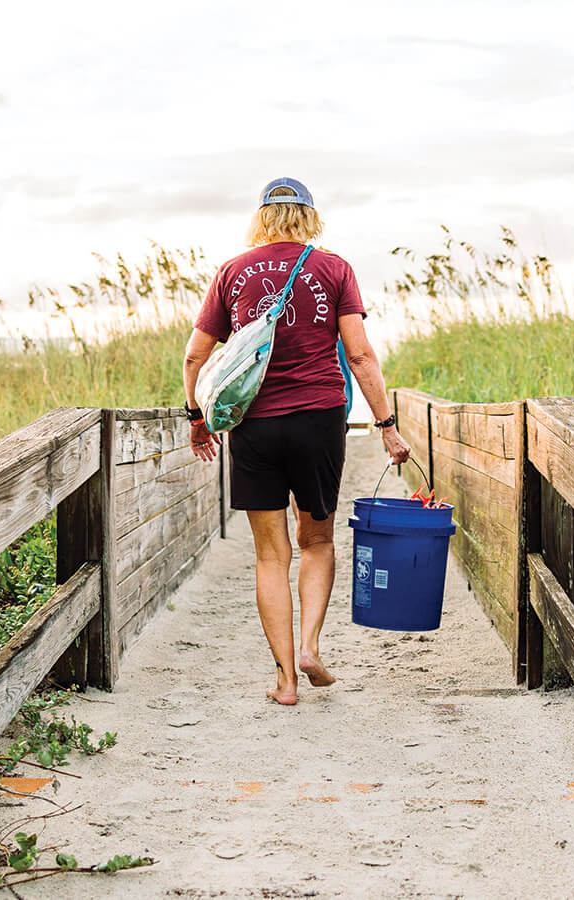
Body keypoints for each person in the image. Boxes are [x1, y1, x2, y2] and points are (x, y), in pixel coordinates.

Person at [181, 177, 411, 706]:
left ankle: (285, 679)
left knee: (270, 555)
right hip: (320, 420)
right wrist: (386, 425)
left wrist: (197, 416)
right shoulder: (335, 269)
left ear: (262, 217)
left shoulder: (232, 273)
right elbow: (359, 355)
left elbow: (195, 356)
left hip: (254, 424)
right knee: (318, 541)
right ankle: (310, 648)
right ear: (309, 217)